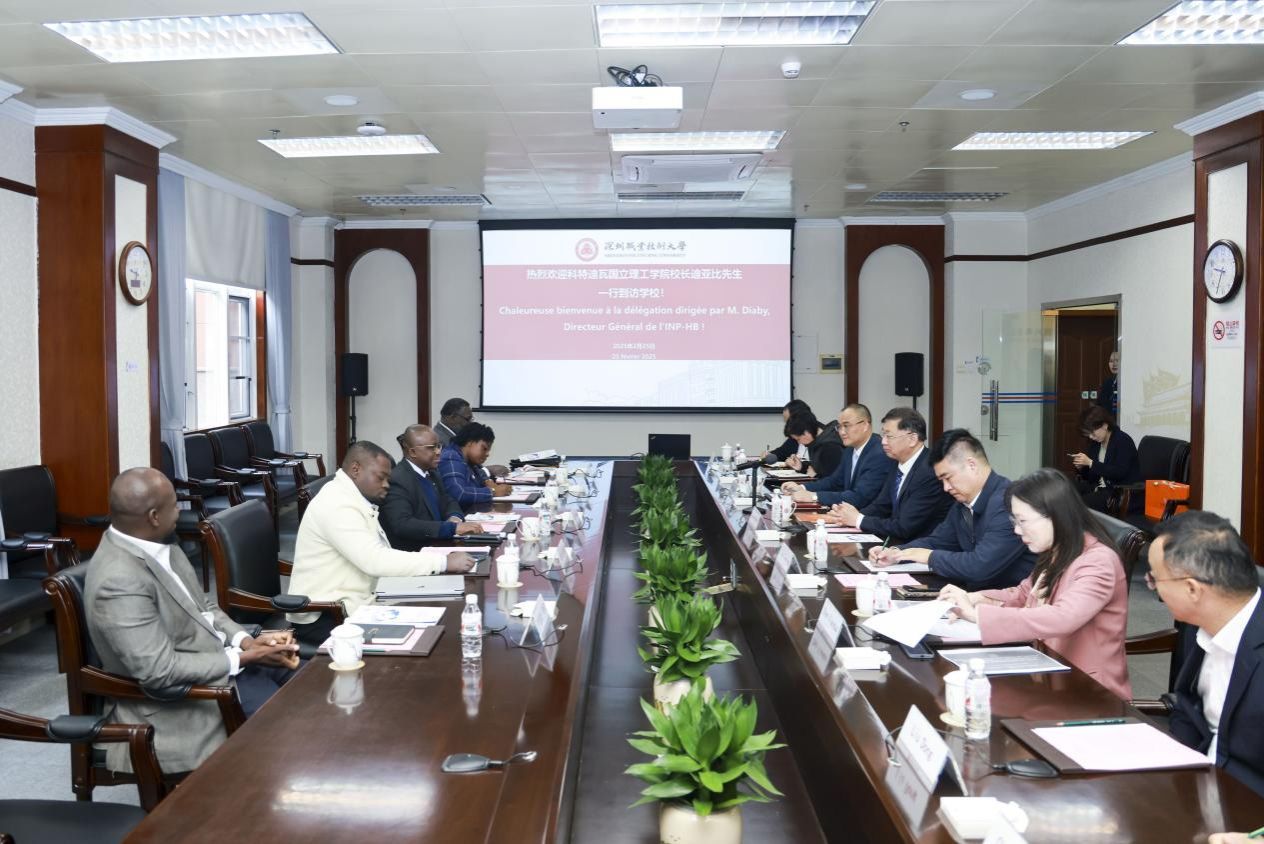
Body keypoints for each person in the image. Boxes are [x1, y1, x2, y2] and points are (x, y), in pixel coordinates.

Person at [85, 468, 299, 774]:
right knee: (291, 727)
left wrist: (246, 641)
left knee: (310, 682)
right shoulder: (119, 581)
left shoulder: (162, 547)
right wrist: (242, 658)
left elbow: (204, 607)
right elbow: (160, 672)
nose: (181, 512)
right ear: (154, 516)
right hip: (184, 701)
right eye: (175, 505)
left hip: (221, 667)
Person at [938, 468, 1131, 700]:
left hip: (1087, 691)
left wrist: (977, 616)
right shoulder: (1058, 550)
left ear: (1055, 515)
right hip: (1047, 672)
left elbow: (1062, 617)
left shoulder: (1099, 562)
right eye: (1014, 521)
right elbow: (1022, 594)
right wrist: (975, 599)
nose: (1017, 530)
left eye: (1022, 521)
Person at [288, 441, 476, 646]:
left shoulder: (353, 497)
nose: (387, 484)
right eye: (381, 477)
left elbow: (377, 555)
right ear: (356, 469)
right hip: (326, 614)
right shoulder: (337, 504)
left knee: (439, 619)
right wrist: (442, 562)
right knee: (424, 640)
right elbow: (374, 560)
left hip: (359, 599)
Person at [1150, 511, 1264, 797]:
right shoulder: (1201, 623)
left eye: (1154, 579)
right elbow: (1188, 711)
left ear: (1192, 589)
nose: (1154, 588)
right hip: (1198, 788)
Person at [870, 429, 1035, 590]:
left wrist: (928, 557)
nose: (945, 487)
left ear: (972, 465)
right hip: (973, 596)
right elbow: (938, 541)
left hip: (1010, 605)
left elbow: (979, 567)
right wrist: (896, 553)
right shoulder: (962, 503)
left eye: (948, 478)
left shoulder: (1008, 504)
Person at [825, 407, 953, 545]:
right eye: (883, 435)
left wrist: (858, 519)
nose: (883, 441)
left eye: (889, 436)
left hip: (922, 551)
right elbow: (881, 506)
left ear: (912, 439)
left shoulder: (929, 472)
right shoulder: (896, 462)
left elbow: (904, 527)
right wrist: (844, 517)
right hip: (895, 546)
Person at [381, 424, 483, 551]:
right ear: (412, 452)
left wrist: (454, 518)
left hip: (441, 544)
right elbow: (403, 524)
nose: (438, 452)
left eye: (439, 446)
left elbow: (448, 500)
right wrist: (452, 528)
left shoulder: (432, 473)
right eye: (431, 448)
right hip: (417, 552)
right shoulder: (398, 479)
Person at [782, 403, 892, 508]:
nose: (842, 432)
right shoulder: (850, 450)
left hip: (867, 518)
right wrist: (801, 487)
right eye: (839, 427)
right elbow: (834, 481)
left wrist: (814, 496)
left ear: (865, 425)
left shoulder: (878, 453)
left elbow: (859, 497)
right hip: (847, 512)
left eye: (846, 426)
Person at [1071, 404, 1141, 513]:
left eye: (1092, 433)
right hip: (1098, 486)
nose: (1090, 437)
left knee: (1081, 504)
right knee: (1066, 491)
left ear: (1105, 425)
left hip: (1116, 492)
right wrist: (1082, 467)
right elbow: (1091, 476)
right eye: (1088, 434)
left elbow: (1119, 473)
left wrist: (1090, 463)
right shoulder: (1096, 443)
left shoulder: (1122, 440)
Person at [439, 422, 512, 510]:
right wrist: (493, 492)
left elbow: (482, 480)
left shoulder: (469, 460)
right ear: (470, 442)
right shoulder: (451, 457)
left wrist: (489, 483)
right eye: (484, 448)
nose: (487, 454)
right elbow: (459, 493)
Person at [782, 410, 844, 480]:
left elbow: (835, 483)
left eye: (798, 439)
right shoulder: (816, 441)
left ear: (806, 432)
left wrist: (816, 476)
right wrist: (801, 467)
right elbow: (818, 468)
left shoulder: (831, 447)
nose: (799, 443)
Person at [763, 399, 813, 463]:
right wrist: (769, 455)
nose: (788, 425)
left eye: (789, 421)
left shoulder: (822, 438)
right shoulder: (795, 436)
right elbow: (782, 452)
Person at [1096, 350, 1119, 415]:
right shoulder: (1108, 383)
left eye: (1117, 360)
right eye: (1111, 361)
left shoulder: (1129, 382)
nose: (1114, 364)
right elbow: (1100, 404)